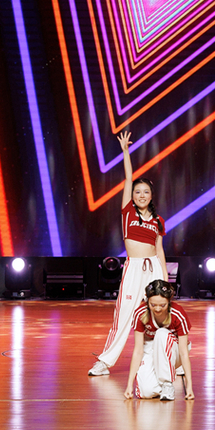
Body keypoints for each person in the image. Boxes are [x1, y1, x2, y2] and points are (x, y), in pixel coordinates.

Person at [89, 131, 168, 376]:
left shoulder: (158, 220)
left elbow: (160, 250)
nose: (141, 195)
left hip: (154, 267)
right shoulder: (128, 213)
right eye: (137, 192)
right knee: (124, 314)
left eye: (146, 192)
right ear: (132, 196)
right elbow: (128, 177)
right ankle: (105, 361)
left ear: (152, 196)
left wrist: (165, 279)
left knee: (159, 314)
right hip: (134, 268)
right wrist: (125, 152)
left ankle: (167, 361)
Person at [123, 280, 194, 400]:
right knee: (146, 392)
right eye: (153, 305)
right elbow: (138, 350)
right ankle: (163, 376)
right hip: (151, 348)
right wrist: (129, 384)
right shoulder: (140, 313)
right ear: (147, 301)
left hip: (175, 350)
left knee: (161, 334)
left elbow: (183, 352)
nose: (157, 309)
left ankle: (167, 383)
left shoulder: (178, 313)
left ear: (169, 301)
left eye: (162, 305)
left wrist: (189, 386)